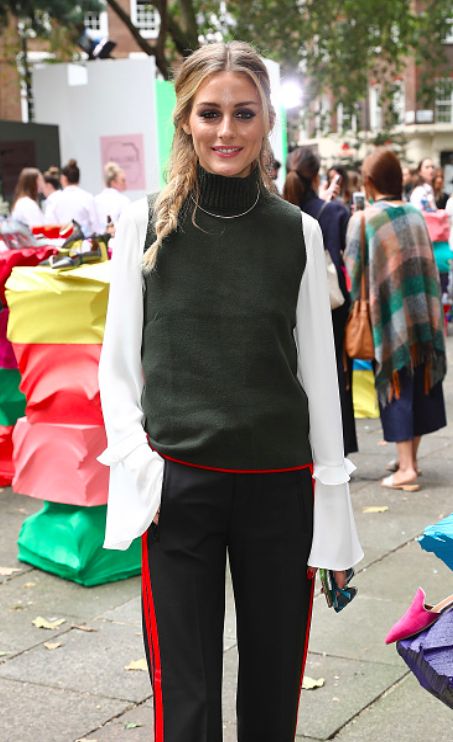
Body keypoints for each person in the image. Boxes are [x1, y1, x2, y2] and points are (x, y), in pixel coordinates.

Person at [98, 41, 363, 742]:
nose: (226, 130)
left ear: (267, 119)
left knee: (273, 692)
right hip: (179, 485)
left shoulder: (298, 232)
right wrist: (145, 468)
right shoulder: (143, 224)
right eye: (209, 113)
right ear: (185, 119)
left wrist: (335, 520)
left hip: (280, 488)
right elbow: (116, 366)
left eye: (243, 113)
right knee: (184, 699)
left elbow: (319, 379)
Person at [345, 148, 447, 491]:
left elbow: (353, 270)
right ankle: (410, 460)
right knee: (420, 384)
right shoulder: (415, 214)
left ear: (370, 181)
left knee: (397, 384)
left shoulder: (365, 219)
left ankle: (406, 469)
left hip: (389, 316)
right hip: (424, 312)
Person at [283, 147, 358, 456]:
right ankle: (338, 447)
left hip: (289, 301)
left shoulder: (280, 213)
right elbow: (345, 261)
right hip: (332, 303)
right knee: (335, 372)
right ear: (317, 176)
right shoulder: (335, 212)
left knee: (295, 371)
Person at [45, 158, 100, 235]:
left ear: (63, 179)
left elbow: (49, 225)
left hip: (61, 241)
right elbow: (96, 226)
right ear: (78, 179)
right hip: (84, 240)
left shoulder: (54, 199)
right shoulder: (88, 197)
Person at [95, 161, 130, 230]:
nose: (125, 183)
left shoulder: (95, 200)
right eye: (123, 180)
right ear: (113, 182)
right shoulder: (124, 201)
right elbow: (127, 225)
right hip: (117, 235)